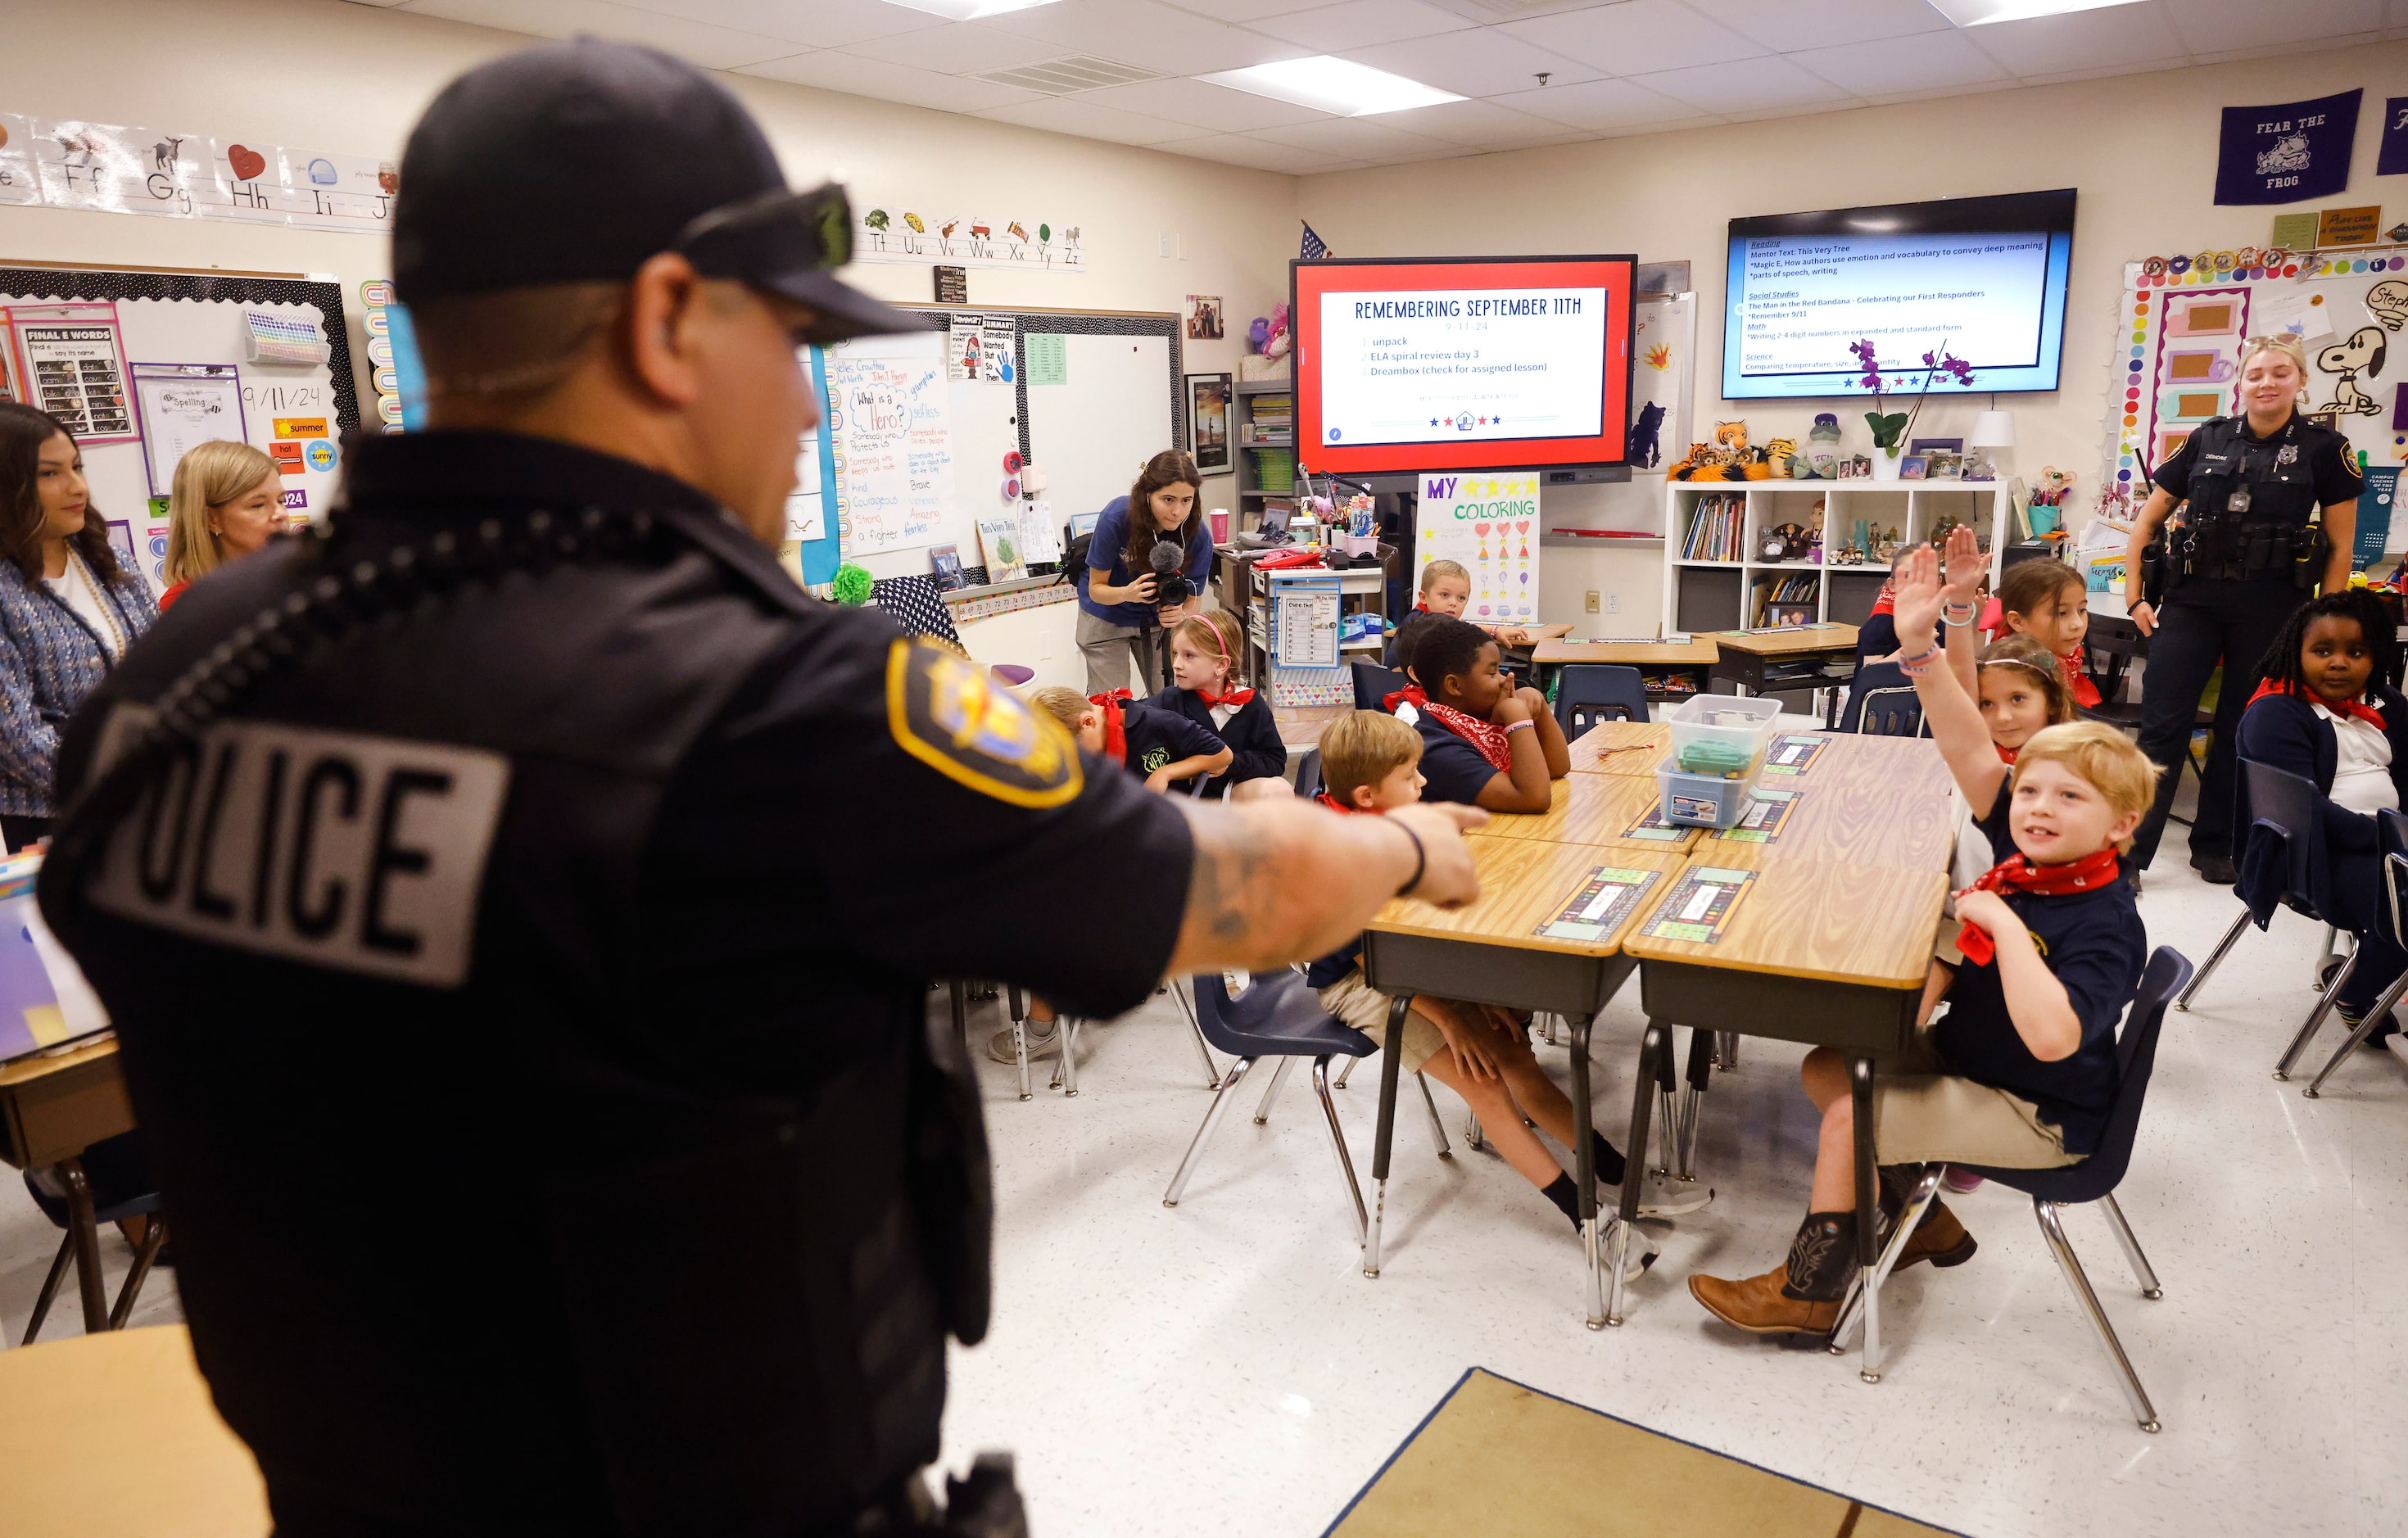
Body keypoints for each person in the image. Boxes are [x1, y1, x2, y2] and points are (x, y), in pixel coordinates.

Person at [33, 41, 1484, 1537]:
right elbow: (1230, 885)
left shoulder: (172, 685)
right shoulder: (777, 705)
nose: (803, 409)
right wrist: (1409, 847)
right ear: (668, 320)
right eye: (790, 340)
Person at [1689, 545, 2154, 1334]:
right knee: (1830, 1067)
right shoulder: (2030, 857)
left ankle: (1808, 1294)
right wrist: (1919, 648)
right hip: (1977, 1061)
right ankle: (1923, 1219)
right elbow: (1967, 745)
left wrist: (2000, 925)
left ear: (2121, 826)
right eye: (2030, 790)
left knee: (1849, 1114)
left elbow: (2051, 1040)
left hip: (2039, 1110)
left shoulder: (2104, 918)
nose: (2036, 808)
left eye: (2068, 798)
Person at [1303, 710, 1673, 1273]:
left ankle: (1620, 1178)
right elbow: (1375, 963)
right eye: (1410, 777)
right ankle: (1586, 1220)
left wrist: (1480, 993)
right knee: (1488, 1086)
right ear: (1365, 795)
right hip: (1360, 982)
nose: (1423, 783)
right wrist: (1453, 1019)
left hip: (1412, 960)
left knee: (1515, 1055)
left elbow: (1423, 927)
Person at [2123, 333, 2358, 884]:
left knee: (2240, 729)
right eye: (2256, 374)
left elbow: (2341, 545)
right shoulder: (2206, 440)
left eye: (2280, 373)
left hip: (2273, 609)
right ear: (2241, 383)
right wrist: (2137, 595)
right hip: (2191, 603)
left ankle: (2215, 846)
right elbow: (2146, 523)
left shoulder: (2325, 449)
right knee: (2162, 727)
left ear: (2300, 381)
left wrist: (2327, 618)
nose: (2267, 383)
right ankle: (2128, 856)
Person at [2234, 590, 2408, 1052]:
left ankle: (2371, 966)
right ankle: (2356, 993)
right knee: (2405, 909)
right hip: (2314, 855)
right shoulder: (2276, 712)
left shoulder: (2386, 704)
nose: (2339, 664)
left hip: (2390, 844)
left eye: (2356, 652)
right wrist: (2388, 839)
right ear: (2297, 652)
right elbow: (2301, 809)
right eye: (2323, 651)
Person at [0, 401, 156, 852]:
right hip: (54, 818)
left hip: (147, 794)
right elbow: (16, 737)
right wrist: (112, 785)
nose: (78, 486)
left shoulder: (112, 563)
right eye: (50, 474)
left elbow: (163, 671)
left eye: (77, 467)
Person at [1389, 616, 1569, 813]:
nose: (1505, 680)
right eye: (1492, 674)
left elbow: (1557, 768)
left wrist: (1539, 707)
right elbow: (1534, 799)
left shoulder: (1477, 719)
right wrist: (1518, 717)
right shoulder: (1436, 748)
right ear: (1454, 685)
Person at [1075, 450, 1212, 695]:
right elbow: (1096, 590)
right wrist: (1128, 593)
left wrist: (1182, 615)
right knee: (1114, 707)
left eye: (1186, 500)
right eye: (1168, 499)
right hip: (1106, 615)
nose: (1177, 512)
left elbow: (1194, 600)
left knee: (1171, 701)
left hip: (1159, 622)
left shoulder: (1198, 535)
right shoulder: (1116, 518)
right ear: (1148, 493)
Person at [1151, 609, 1288, 800]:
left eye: (1189, 655)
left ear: (1222, 665)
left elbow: (1274, 760)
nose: (1176, 664)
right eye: (1175, 654)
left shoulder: (1250, 703)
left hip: (1230, 795)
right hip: (1181, 802)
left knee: (1279, 789)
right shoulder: (1169, 701)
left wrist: (1229, 764)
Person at [1030, 685, 1231, 794]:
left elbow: (1223, 756)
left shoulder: (1154, 722)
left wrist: (1164, 773)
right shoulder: (1092, 736)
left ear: (1088, 722)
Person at [161, 439, 285, 609]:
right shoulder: (183, 605)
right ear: (212, 520)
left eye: (281, 500)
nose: (281, 514)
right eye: (258, 505)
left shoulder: (295, 583)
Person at [1984, 557, 2100, 710]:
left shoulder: (2059, 658)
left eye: (2082, 610)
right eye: (2062, 613)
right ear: (2018, 621)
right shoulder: (2013, 673)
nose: (2077, 624)